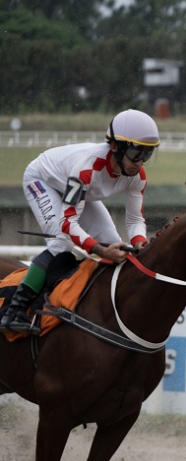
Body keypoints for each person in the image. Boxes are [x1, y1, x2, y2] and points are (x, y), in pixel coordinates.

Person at [0, 109, 160, 335]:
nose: (140, 162)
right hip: (43, 180)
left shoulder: (138, 176)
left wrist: (139, 242)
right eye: (135, 153)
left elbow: (135, 219)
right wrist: (98, 250)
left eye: (147, 154)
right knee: (61, 243)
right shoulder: (86, 168)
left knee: (115, 242)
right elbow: (68, 223)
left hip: (80, 190)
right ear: (116, 147)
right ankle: (13, 310)